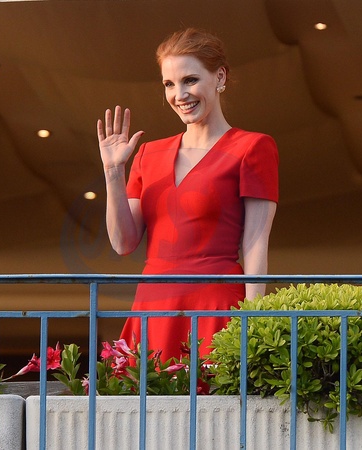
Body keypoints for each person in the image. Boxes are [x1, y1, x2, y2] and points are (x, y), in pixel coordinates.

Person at [97, 28, 278, 362]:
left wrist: (253, 324)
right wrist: (113, 172)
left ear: (220, 77)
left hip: (215, 305)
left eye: (190, 80)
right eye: (169, 84)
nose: (179, 94)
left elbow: (255, 244)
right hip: (153, 306)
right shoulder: (148, 153)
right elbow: (123, 243)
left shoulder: (252, 147)